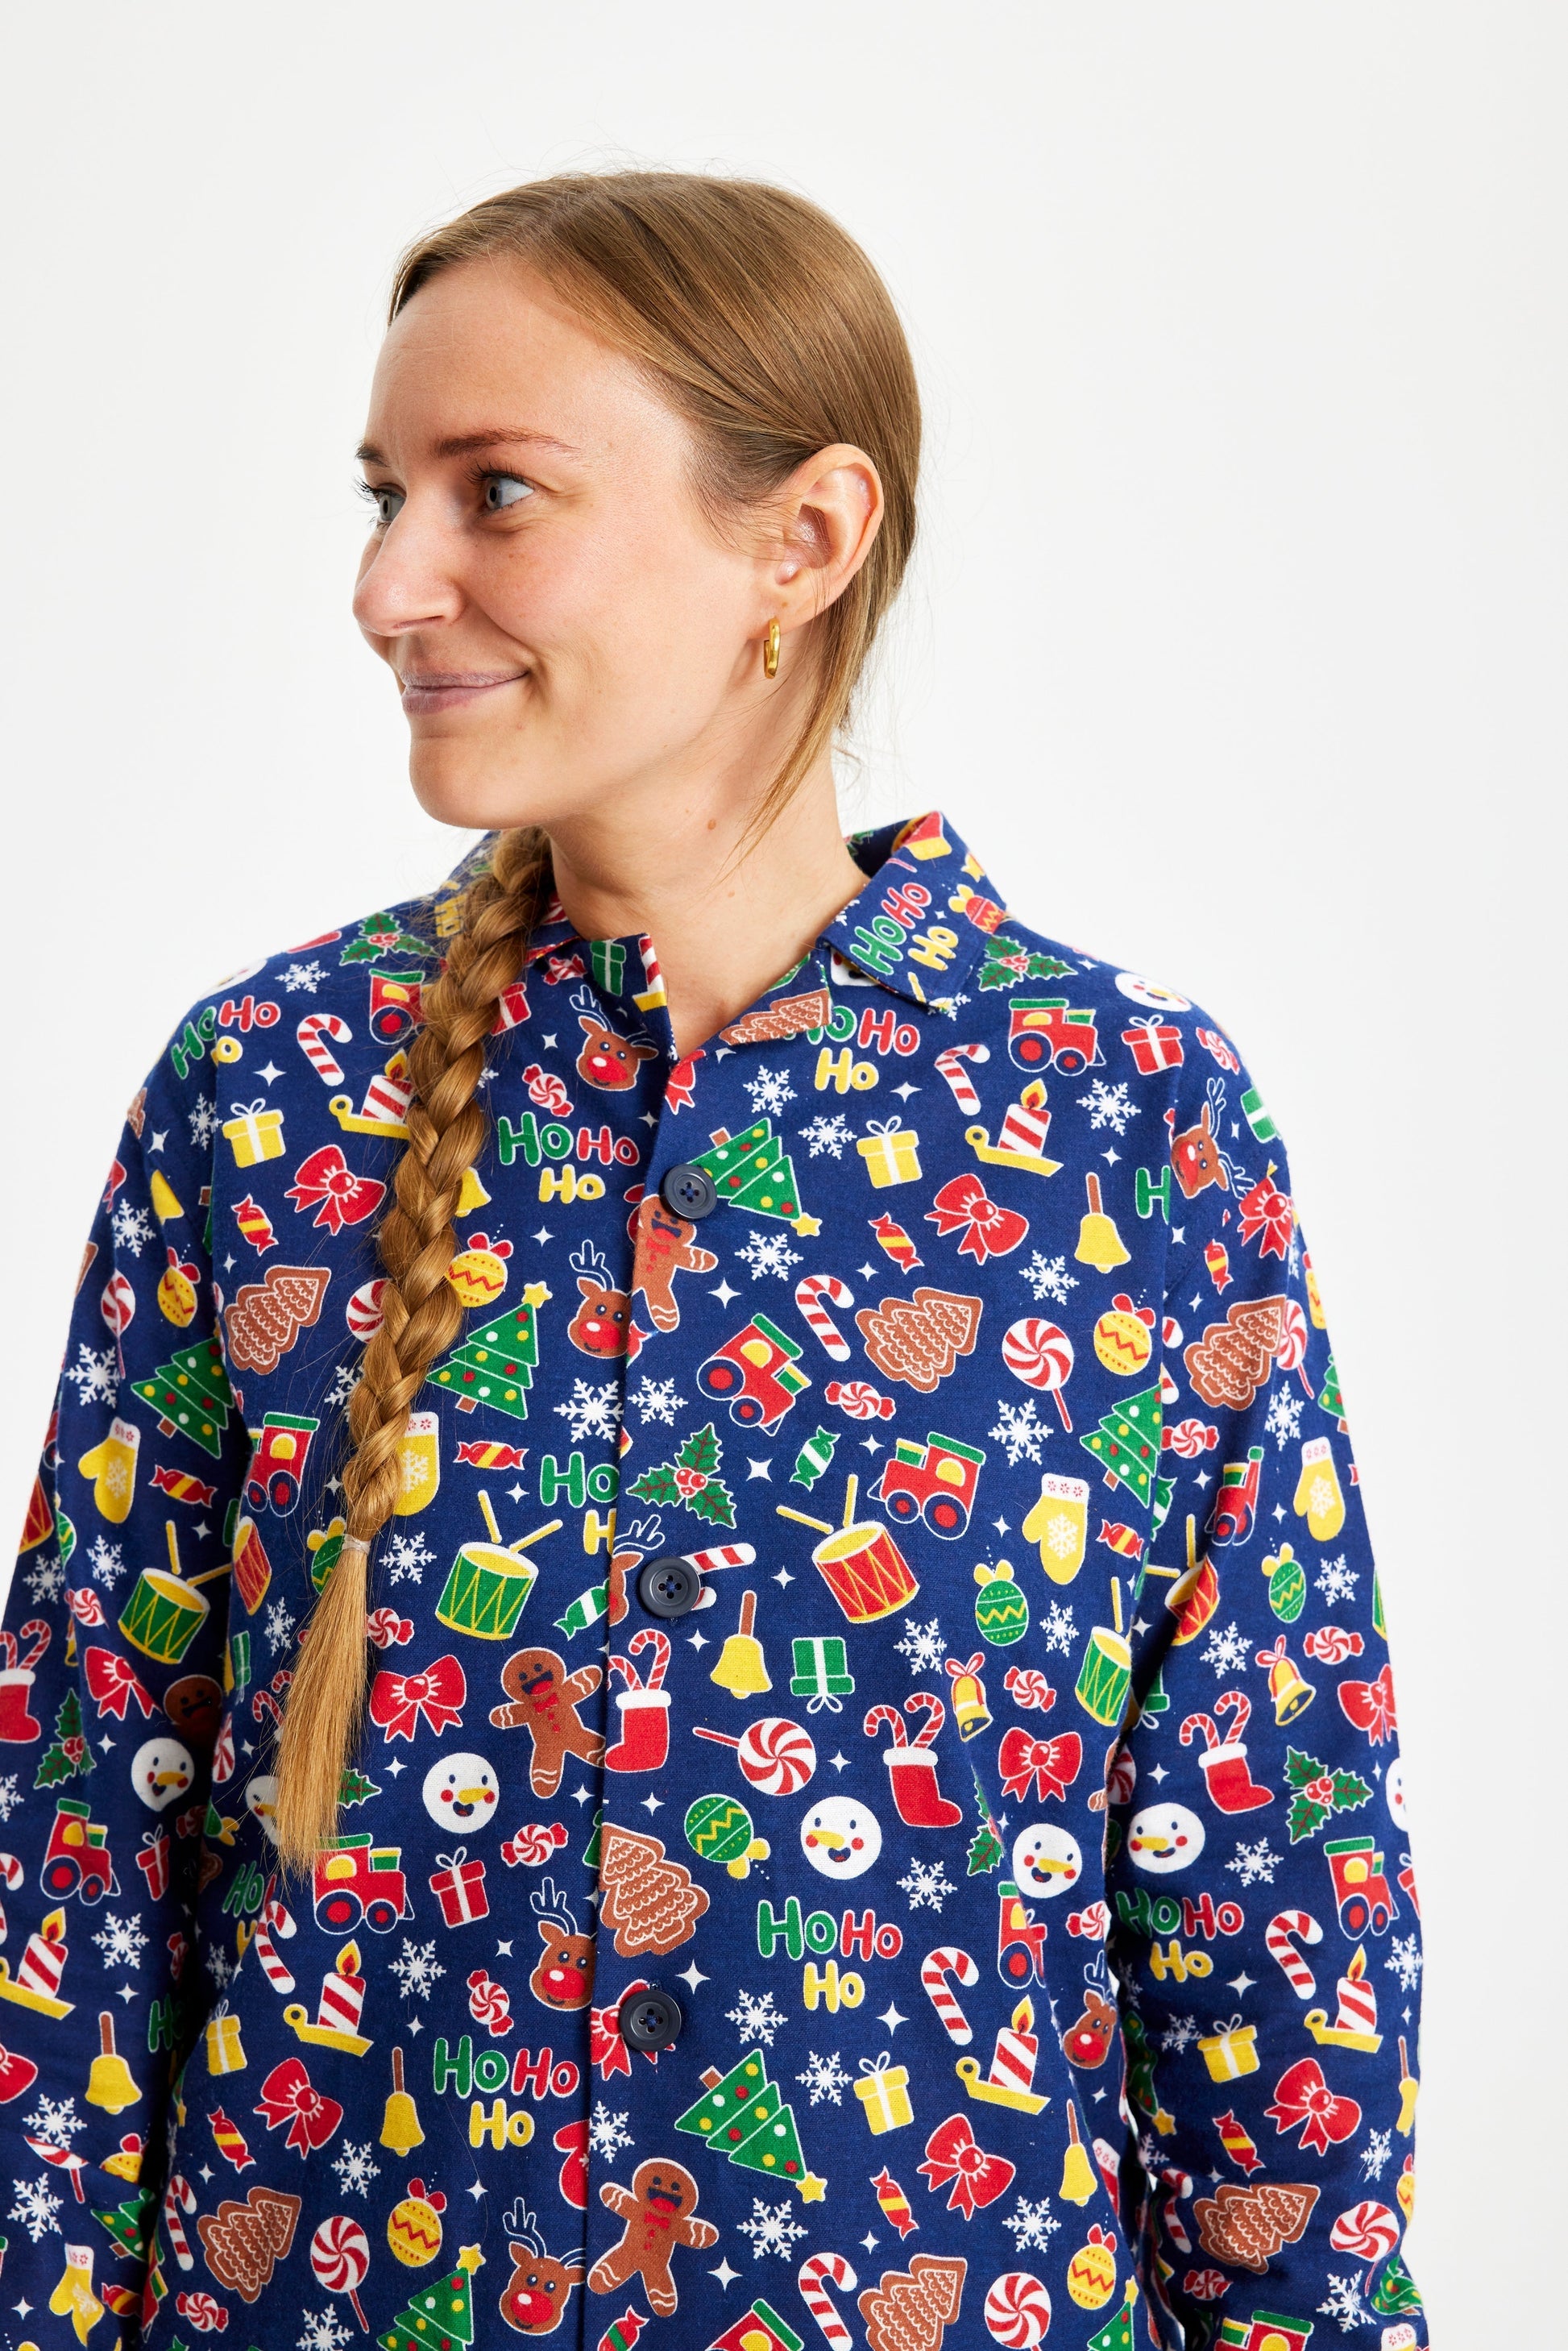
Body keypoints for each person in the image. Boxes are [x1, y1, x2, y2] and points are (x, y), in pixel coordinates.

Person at [0, 172, 1425, 2351]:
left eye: (495, 492)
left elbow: (1269, 1893)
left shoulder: (1130, 1127)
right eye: (385, 496)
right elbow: (81, 1843)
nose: (389, 585)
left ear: (804, 539)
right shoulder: (266, 1098)